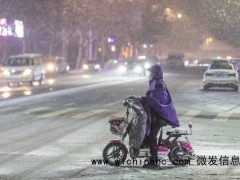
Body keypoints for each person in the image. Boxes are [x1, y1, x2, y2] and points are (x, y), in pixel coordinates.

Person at [142, 64, 180, 169]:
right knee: (148, 136)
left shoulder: (159, 85)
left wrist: (147, 100)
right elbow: (151, 98)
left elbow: (160, 101)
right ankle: (151, 158)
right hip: (155, 116)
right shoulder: (154, 83)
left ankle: (154, 161)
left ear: (156, 74)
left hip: (160, 117)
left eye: (151, 73)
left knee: (151, 137)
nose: (149, 75)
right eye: (148, 73)